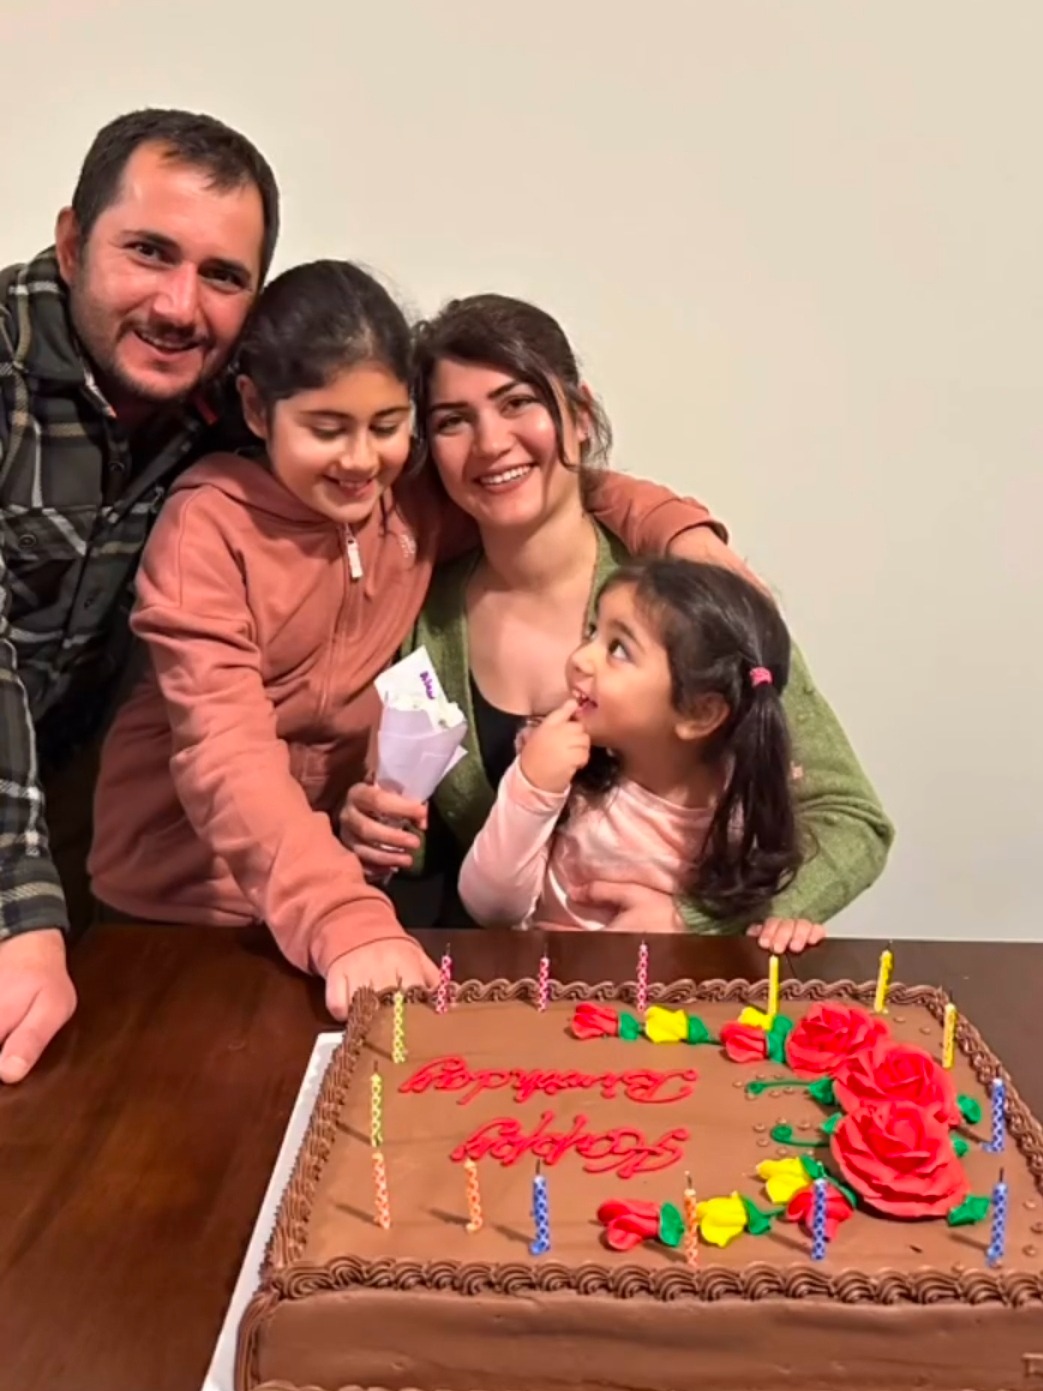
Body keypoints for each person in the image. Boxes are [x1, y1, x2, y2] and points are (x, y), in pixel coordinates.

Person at [88, 261, 733, 1019]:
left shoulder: (409, 507)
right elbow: (224, 750)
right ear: (257, 409)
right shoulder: (208, 526)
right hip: (180, 905)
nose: (361, 461)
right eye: (326, 429)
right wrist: (344, 918)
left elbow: (551, 481)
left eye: (387, 426)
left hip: (334, 900)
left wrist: (676, 527)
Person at [341, 295, 894, 944]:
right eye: (453, 421)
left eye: (518, 403)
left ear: (580, 415)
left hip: (673, 996)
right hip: (505, 987)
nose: (490, 443)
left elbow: (851, 819)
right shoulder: (422, 617)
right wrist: (375, 832)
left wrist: (697, 921)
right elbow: (434, 851)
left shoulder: (686, 596)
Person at [0, 107, 279, 1084]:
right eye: (149, 252)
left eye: (222, 276)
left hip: (73, 814)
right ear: (74, 244)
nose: (178, 305)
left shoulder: (233, 397)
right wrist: (18, 911)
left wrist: (661, 528)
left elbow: (430, 448)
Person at [459, 556, 820, 935]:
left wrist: (783, 929)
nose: (580, 658)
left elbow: (748, 918)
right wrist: (532, 790)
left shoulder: (743, 809)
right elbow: (490, 908)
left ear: (699, 713)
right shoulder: (562, 768)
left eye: (618, 650)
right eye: (592, 632)